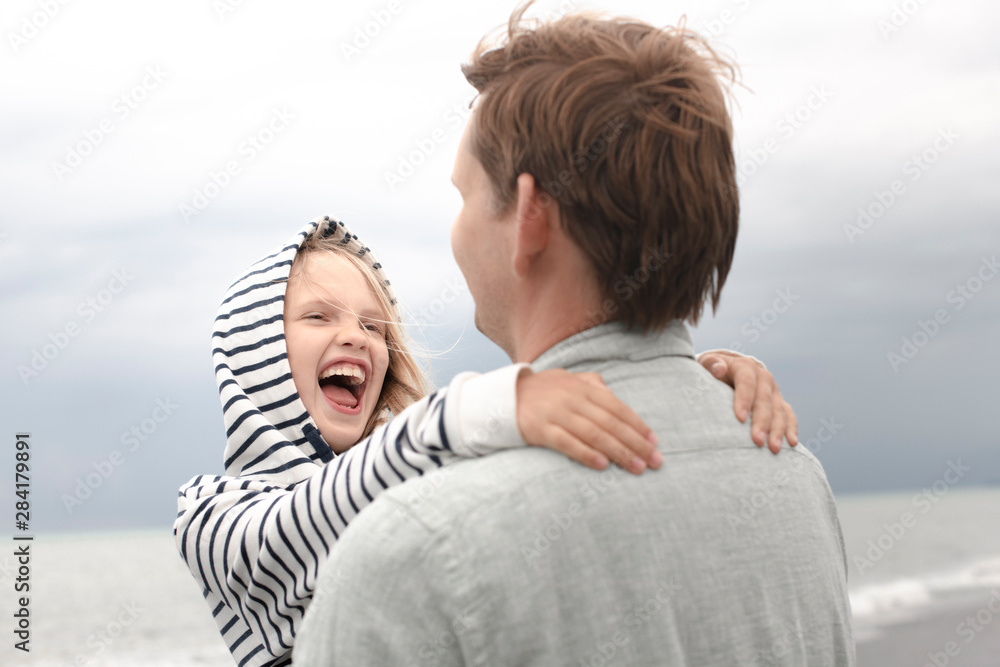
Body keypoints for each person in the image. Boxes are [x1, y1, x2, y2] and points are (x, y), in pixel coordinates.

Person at [293, 5, 854, 667]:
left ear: (529, 217)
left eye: (464, 196)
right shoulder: (796, 479)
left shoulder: (413, 551)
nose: (458, 229)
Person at [173, 217, 790, 667]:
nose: (357, 338)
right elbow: (296, 531)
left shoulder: (420, 463)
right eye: (318, 317)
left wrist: (686, 382)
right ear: (254, 357)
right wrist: (475, 410)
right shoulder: (211, 512)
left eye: (373, 324)